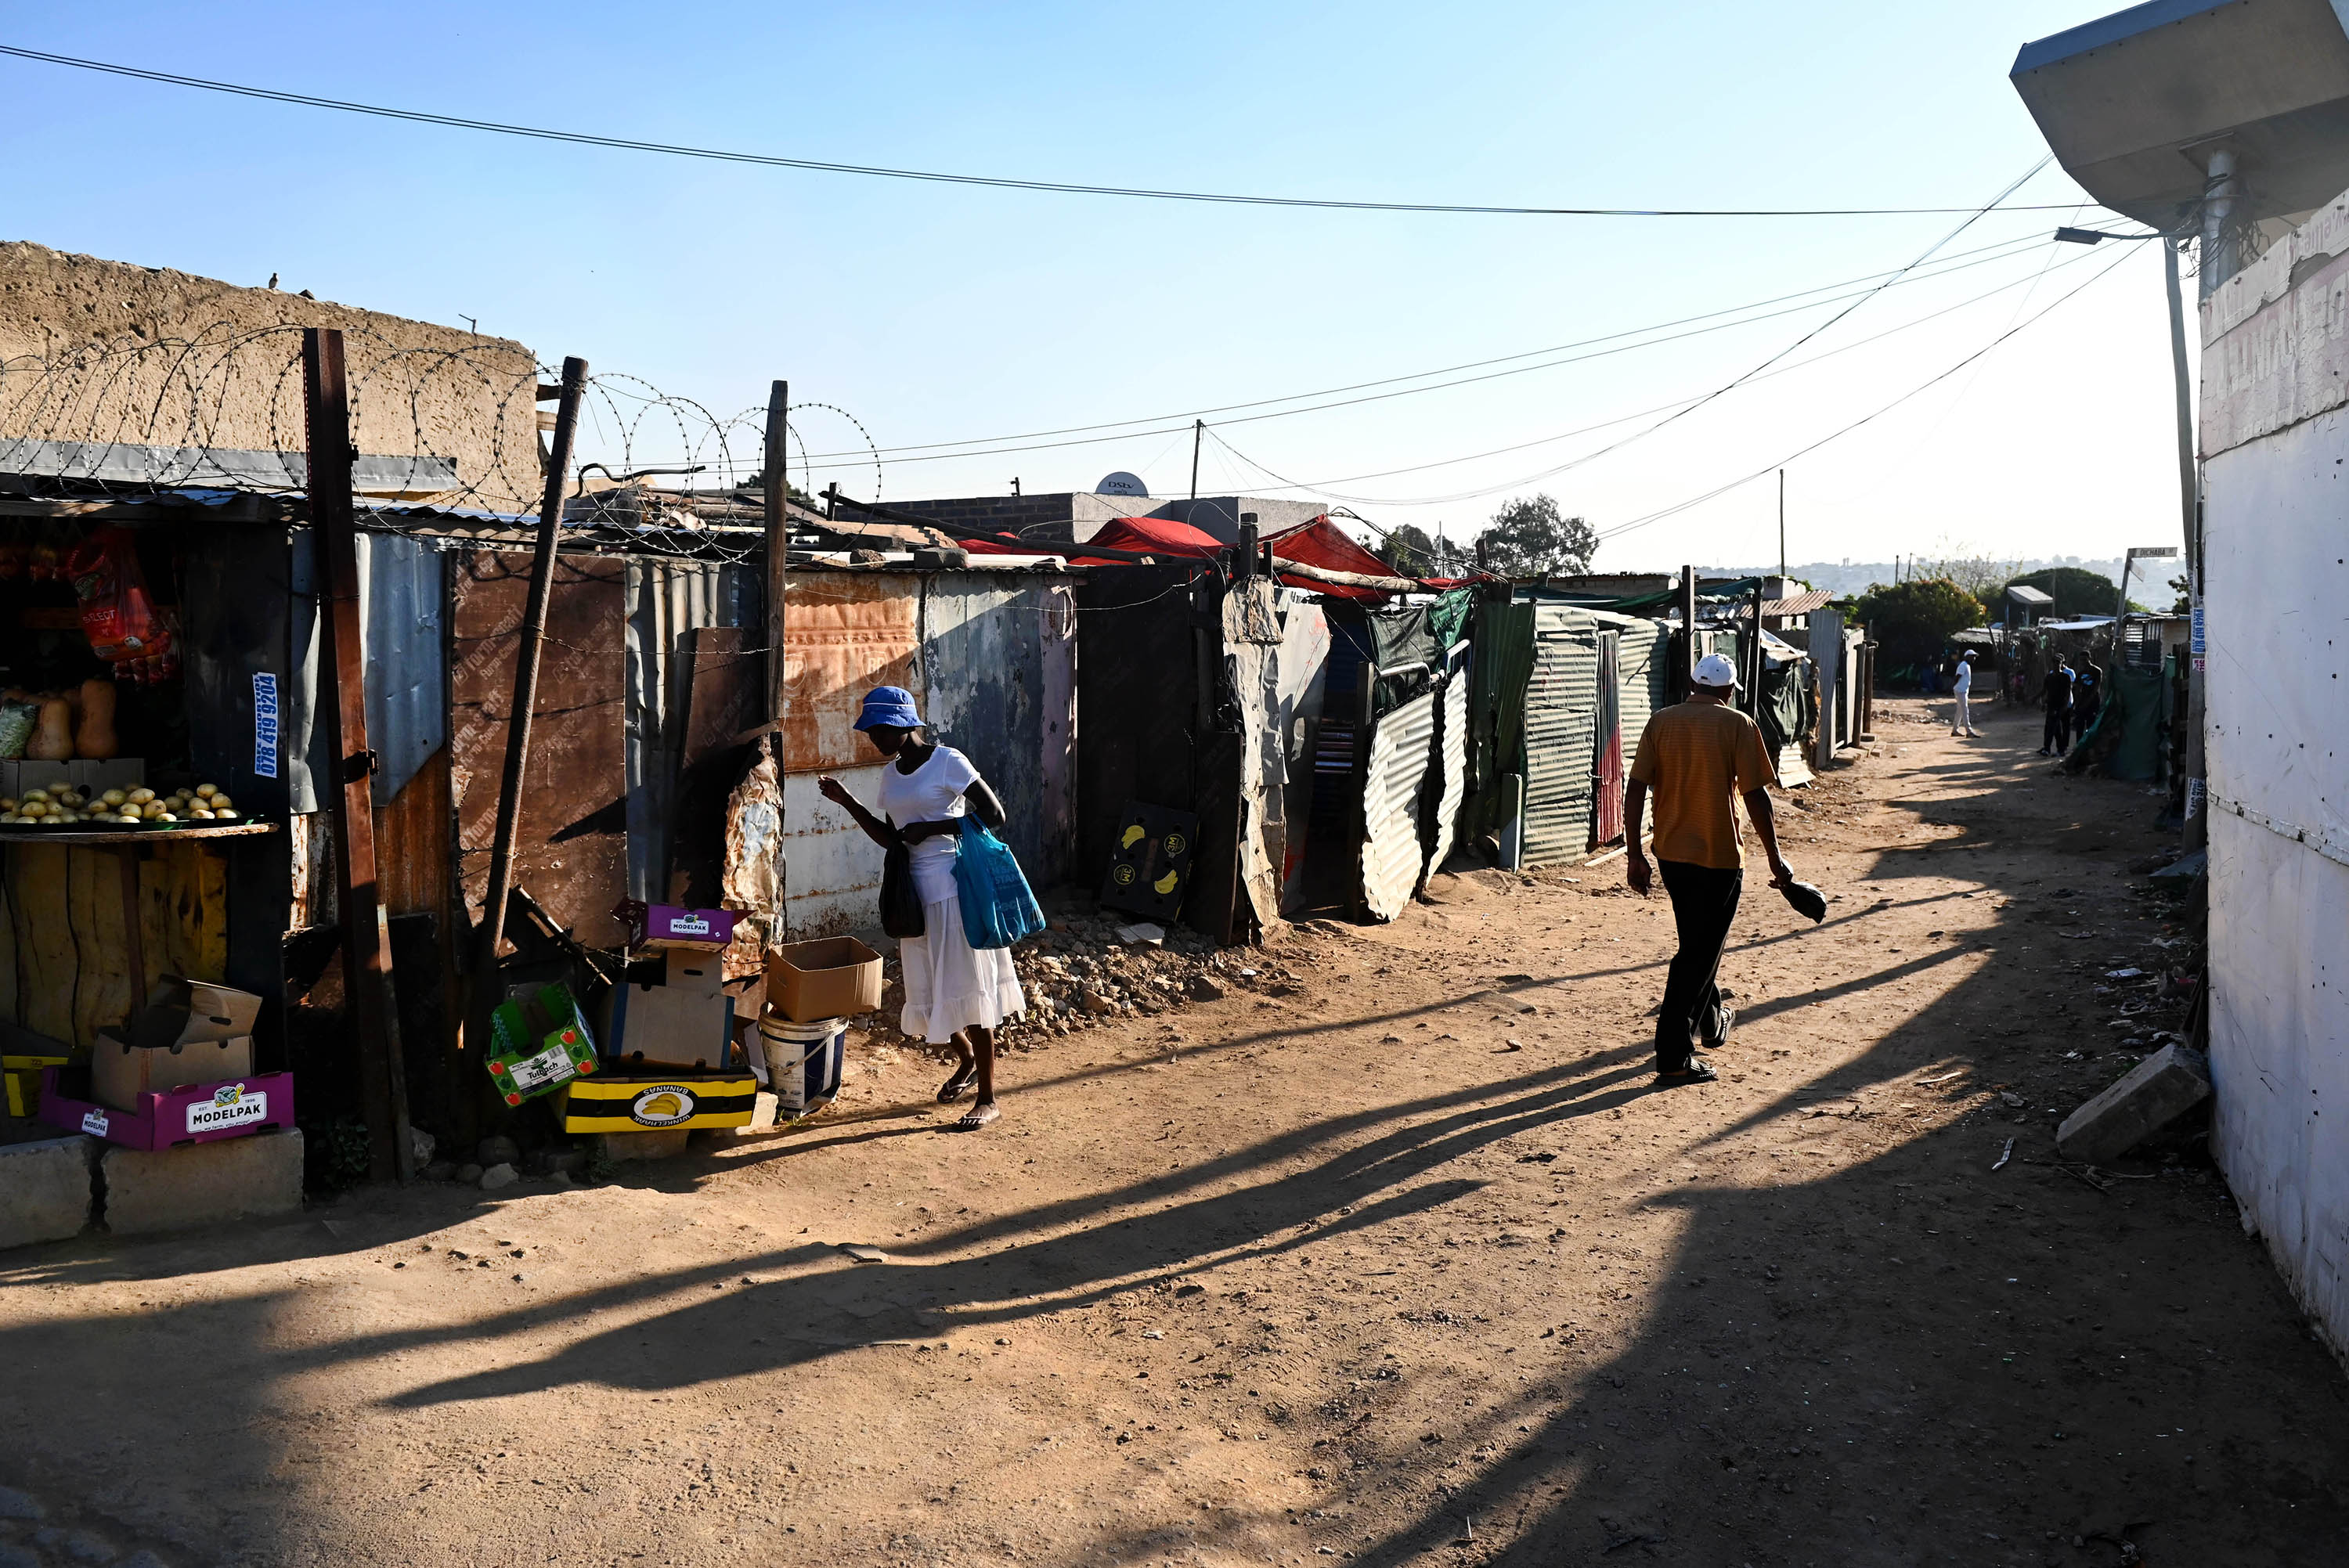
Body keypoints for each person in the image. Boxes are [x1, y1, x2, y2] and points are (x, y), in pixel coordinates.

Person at [817, 687, 1027, 1130]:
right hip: (913, 897)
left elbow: (995, 815)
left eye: (879, 730)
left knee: (968, 989)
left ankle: (989, 1099)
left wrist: (934, 827)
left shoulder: (948, 761)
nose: (873, 739)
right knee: (929, 990)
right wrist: (847, 801)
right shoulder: (890, 776)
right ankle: (967, 1060)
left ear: (903, 725)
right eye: (870, 732)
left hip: (953, 891)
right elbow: (892, 839)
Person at [1624, 653, 1797, 1086]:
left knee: (1697, 942)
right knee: (1698, 953)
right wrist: (1776, 859)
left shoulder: (1661, 721)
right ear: (1730, 690)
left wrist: (1634, 855)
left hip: (1671, 854)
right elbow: (1756, 796)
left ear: (1692, 684)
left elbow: (1636, 786)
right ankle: (1674, 1058)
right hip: (1719, 858)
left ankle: (1713, 1019)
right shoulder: (1738, 724)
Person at [2038, 656, 2074, 755]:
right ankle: (2059, 749)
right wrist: (2042, 701)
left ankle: (2048, 748)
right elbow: (2045, 691)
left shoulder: (2066, 677)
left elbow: (2068, 692)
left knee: (2053, 727)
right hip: (2051, 705)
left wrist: (2066, 705)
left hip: (2061, 705)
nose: (2056, 664)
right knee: (2055, 728)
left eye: (2058, 662)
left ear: (2061, 664)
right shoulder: (2049, 677)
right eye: (2054, 662)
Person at [1950, 650, 1979, 737]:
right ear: (1967, 657)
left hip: (1962, 691)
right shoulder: (1963, 665)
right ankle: (1969, 732)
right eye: (1972, 656)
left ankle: (1955, 730)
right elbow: (1957, 677)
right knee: (1965, 710)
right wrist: (1950, 688)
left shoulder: (1966, 665)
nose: (1974, 658)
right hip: (1961, 691)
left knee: (1960, 711)